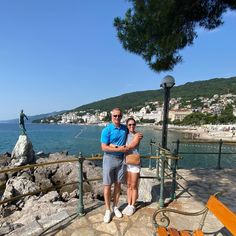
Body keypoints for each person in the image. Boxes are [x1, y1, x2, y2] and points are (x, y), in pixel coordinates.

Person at [100, 108, 130, 223]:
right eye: (115, 116)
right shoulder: (106, 130)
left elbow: (131, 134)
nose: (117, 118)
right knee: (107, 185)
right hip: (109, 159)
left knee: (118, 184)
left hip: (121, 160)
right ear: (111, 116)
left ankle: (115, 206)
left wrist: (138, 136)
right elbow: (103, 147)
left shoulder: (124, 129)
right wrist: (117, 148)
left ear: (121, 117)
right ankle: (108, 210)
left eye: (119, 116)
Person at [122, 117, 142, 216]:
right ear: (127, 126)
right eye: (129, 125)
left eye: (133, 124)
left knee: (134, 186)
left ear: (135, 125)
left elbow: (132, 145)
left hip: (134, 162)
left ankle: (133, 206)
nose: (131, 126)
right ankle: (129, 204)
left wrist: (119, 148)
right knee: (129, 185)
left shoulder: (137, 135)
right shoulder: (125, 135)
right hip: (127, 162)